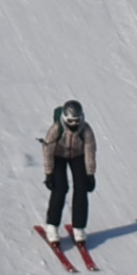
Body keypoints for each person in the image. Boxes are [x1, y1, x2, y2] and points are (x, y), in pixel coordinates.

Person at [41, 99, 96, 243]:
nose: (74, 124)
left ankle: (79, 227)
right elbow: (48, 151)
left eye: (77, 120)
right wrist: (49, 173)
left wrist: (90, 174)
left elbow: (90, 151)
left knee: (81, 187)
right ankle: (52, 225)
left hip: (77, 156)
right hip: (58, 156)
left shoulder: (86, 130)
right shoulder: (56, 129)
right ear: (65, 118)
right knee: (60, 187)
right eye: (70, 121)